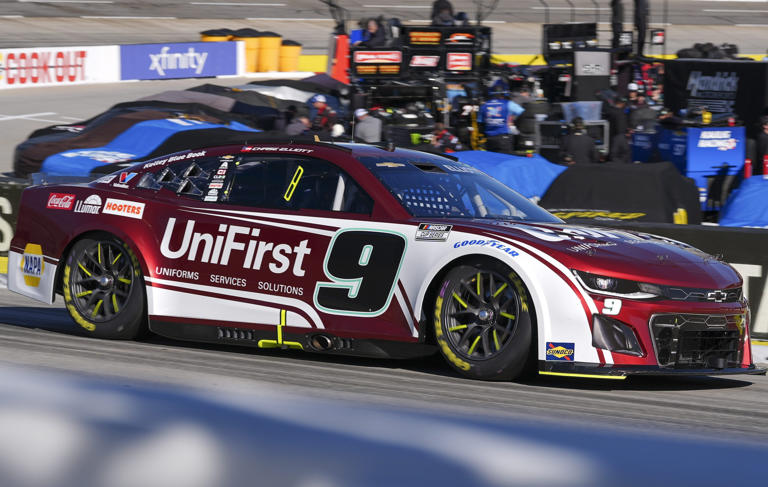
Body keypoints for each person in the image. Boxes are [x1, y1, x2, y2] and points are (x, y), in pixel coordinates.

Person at [479, 88, 514, 153]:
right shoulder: (507, 103)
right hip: (503, 138)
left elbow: (480, 123)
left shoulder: (484, 105)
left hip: (490, 139)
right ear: (503, 95)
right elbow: (522, 112)